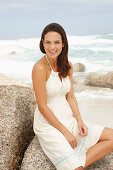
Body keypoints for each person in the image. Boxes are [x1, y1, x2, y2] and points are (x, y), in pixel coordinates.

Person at [32, 23, 113, 170]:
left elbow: (70, 96)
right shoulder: (39, 68)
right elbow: (42, 106)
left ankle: (78, 163)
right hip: (48, 124)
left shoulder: (67, 66)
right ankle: (76, 165)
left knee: (112, 137)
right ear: (42, 43)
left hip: (67, 117)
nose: (52, 47)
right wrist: (65, 132)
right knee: (76, 168)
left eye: (56, 42)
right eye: (47, 42)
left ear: (63, 44)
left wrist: (80, 120)